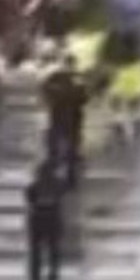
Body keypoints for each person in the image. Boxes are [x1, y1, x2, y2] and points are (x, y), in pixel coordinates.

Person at [40, 47, 90, 188]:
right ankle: (68, 175)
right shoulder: (76, 78)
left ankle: (59, 172)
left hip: (62, 115)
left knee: (59, 144)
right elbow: (84, 97)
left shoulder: (57, 77)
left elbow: (45, 90)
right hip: (71, 116)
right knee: (69, 145)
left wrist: (52, 99)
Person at [25, 157, 67, 280]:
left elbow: (29, 199)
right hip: (52, 219)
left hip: (37, 220)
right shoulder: (57, 185)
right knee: (53, 248)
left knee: (36, 252)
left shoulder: (33, 187)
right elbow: (62, 194)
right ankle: (53, 274)